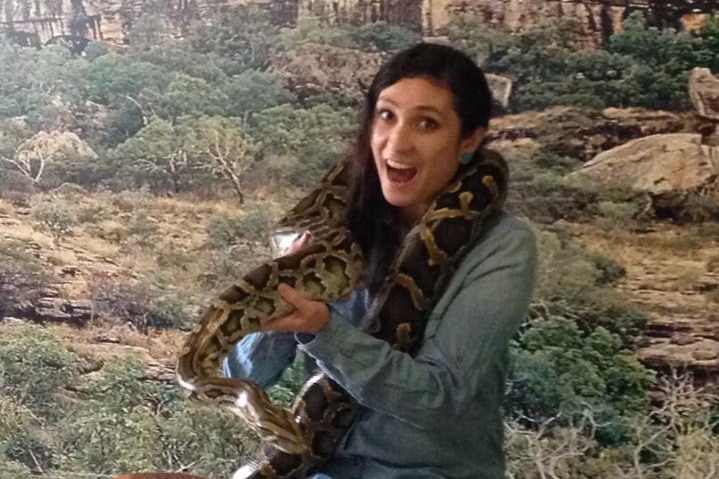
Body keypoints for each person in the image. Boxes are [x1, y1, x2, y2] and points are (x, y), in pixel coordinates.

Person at [224, 43, 538, 479]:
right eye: (387, 116)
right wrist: (284, 293)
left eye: (426, 123)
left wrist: (323, 331)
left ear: (469, 140)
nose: (398, 142)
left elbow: (437, 399)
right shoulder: (332, 229)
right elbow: (242, 374)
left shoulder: (503, 248)